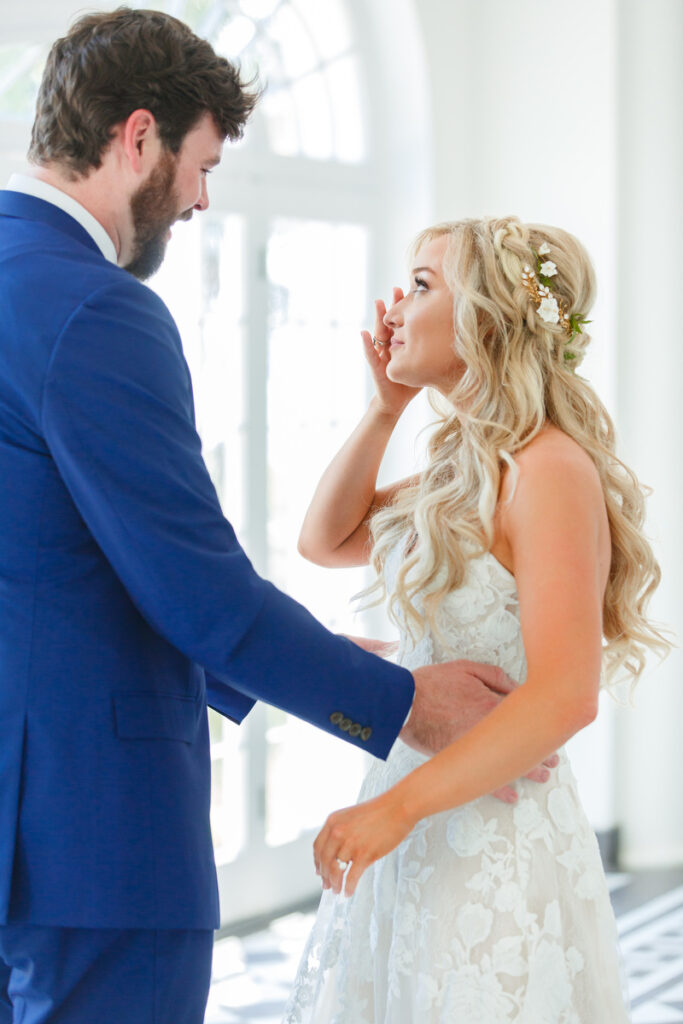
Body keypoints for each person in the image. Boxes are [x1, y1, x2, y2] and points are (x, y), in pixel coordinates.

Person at [0, 11, 558, 1024]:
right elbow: (198, 590)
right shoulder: (95, 308)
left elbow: (57, 562)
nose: (202, 201)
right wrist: (402, 702)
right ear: (137, 139)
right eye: (200, 165)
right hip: (93, 847)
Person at [283, 216, 670, 1022]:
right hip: (419, 824)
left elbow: (565, 696)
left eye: (421, 284)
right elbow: (325, 541)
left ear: (486, 318)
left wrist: (391, 810)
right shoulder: (466, 466)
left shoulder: (549, 468)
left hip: (491, 840)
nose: (393, 304)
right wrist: (383, 411)